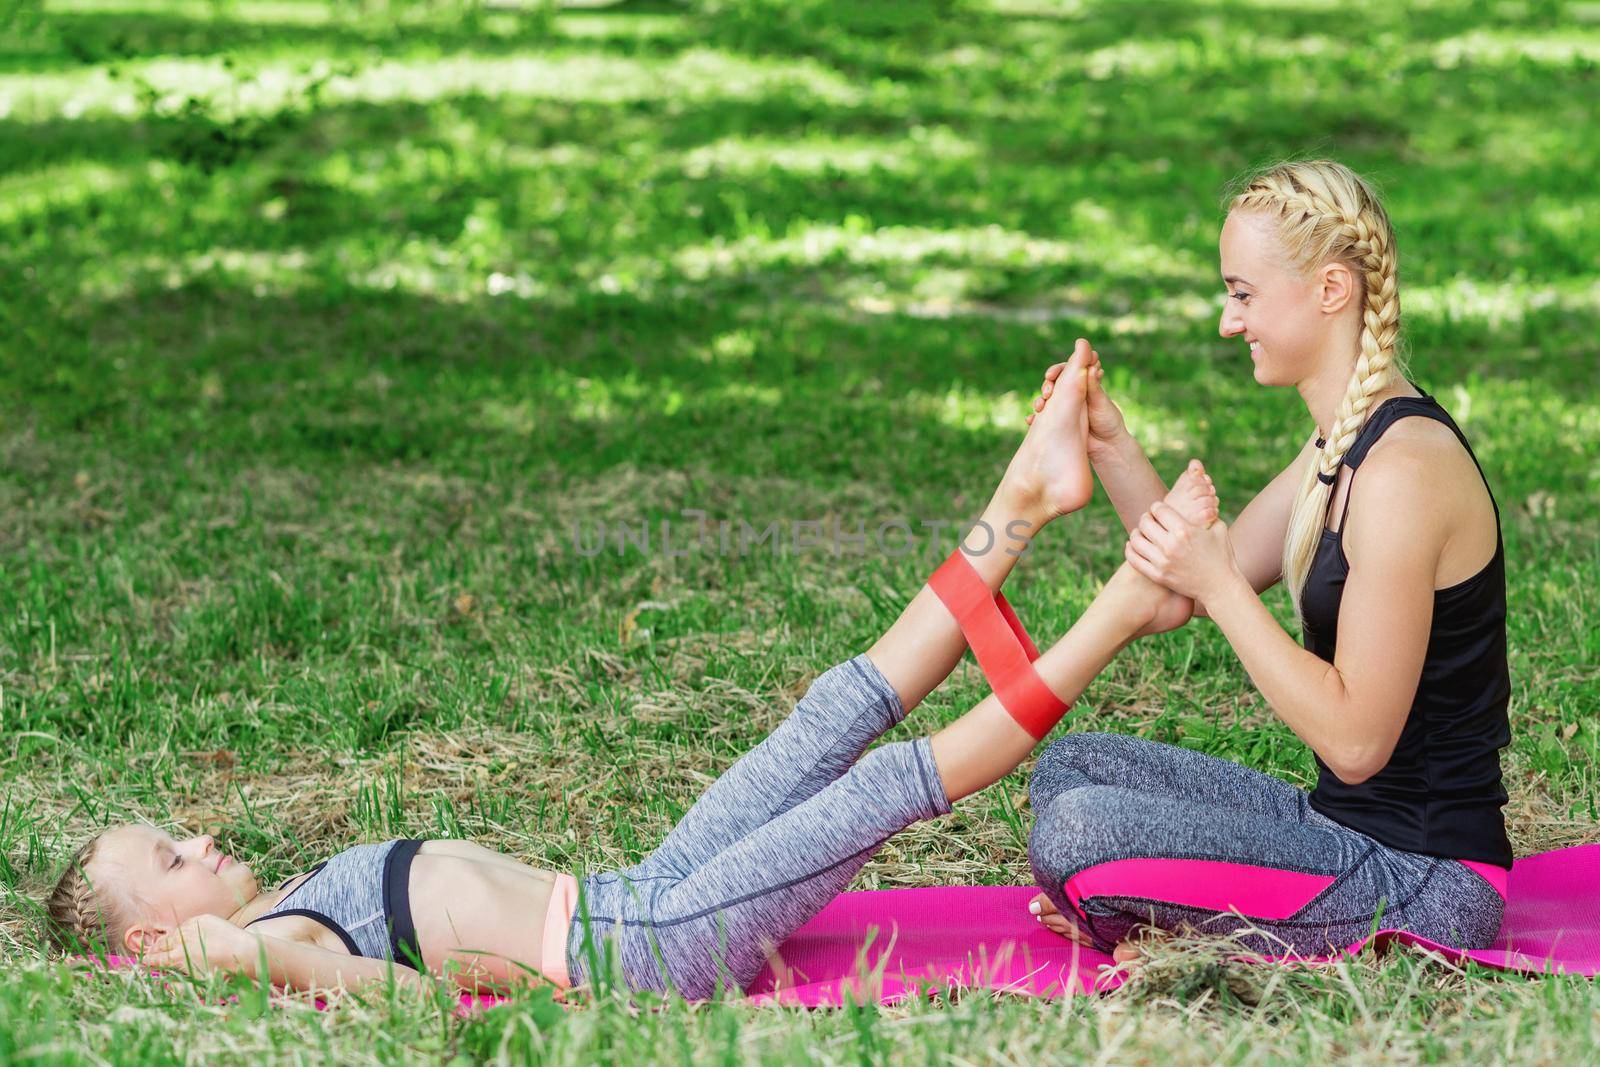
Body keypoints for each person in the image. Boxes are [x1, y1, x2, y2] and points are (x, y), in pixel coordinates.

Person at [44, 343, 1214, 1001]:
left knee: (823, 719)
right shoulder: (282, 954)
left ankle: (1019, 502)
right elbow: (422, 1010)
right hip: (647, 948)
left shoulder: (291, 904)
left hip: (630, 890)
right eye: (172, 859)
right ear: (153, 941)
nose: (199, 840)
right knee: (875, 786)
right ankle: (1123, 606)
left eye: (179, 829)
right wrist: (240, 951)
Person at [1024, 160, 1511, 963]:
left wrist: (1218, 584)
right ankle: (1146, 904)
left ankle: (1146, 909)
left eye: (1243, 293)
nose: (1227, 320)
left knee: (1081, 833)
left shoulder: (1403, 471)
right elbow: (1187, 583)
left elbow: (1357, 742)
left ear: (1330, 290)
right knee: (1075, 766)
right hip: (1336, 829)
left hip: (1424, 877)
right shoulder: (1340, 440)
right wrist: (1108, 441)